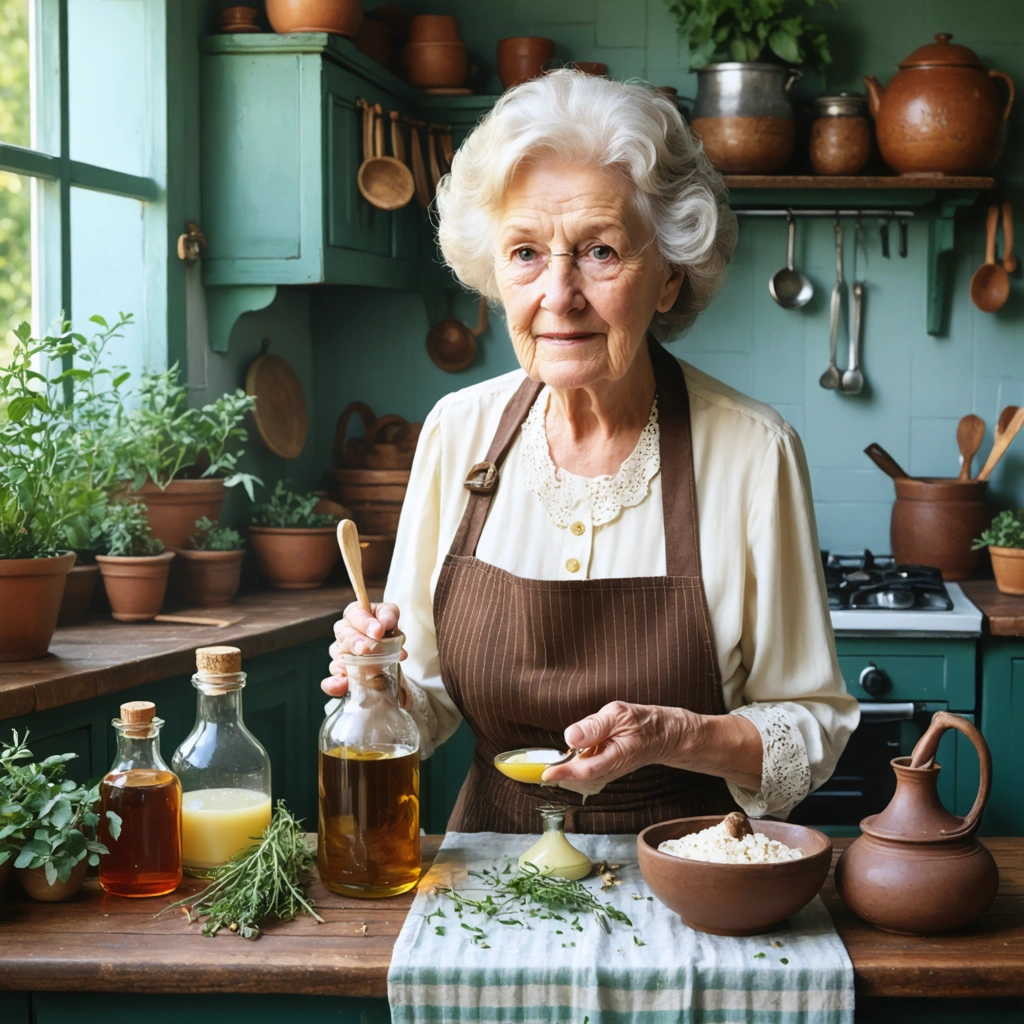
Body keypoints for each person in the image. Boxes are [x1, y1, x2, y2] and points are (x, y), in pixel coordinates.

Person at [322, 70, 859, 833]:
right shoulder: (457, 432)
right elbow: (426, 703)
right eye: (525, 253)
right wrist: (380, 682)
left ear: (668, 277)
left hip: (687, 867)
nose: (558, 294)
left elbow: (812, 729)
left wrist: (677, 736)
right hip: (491, 870)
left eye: (600, 251)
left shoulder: (753, 451)